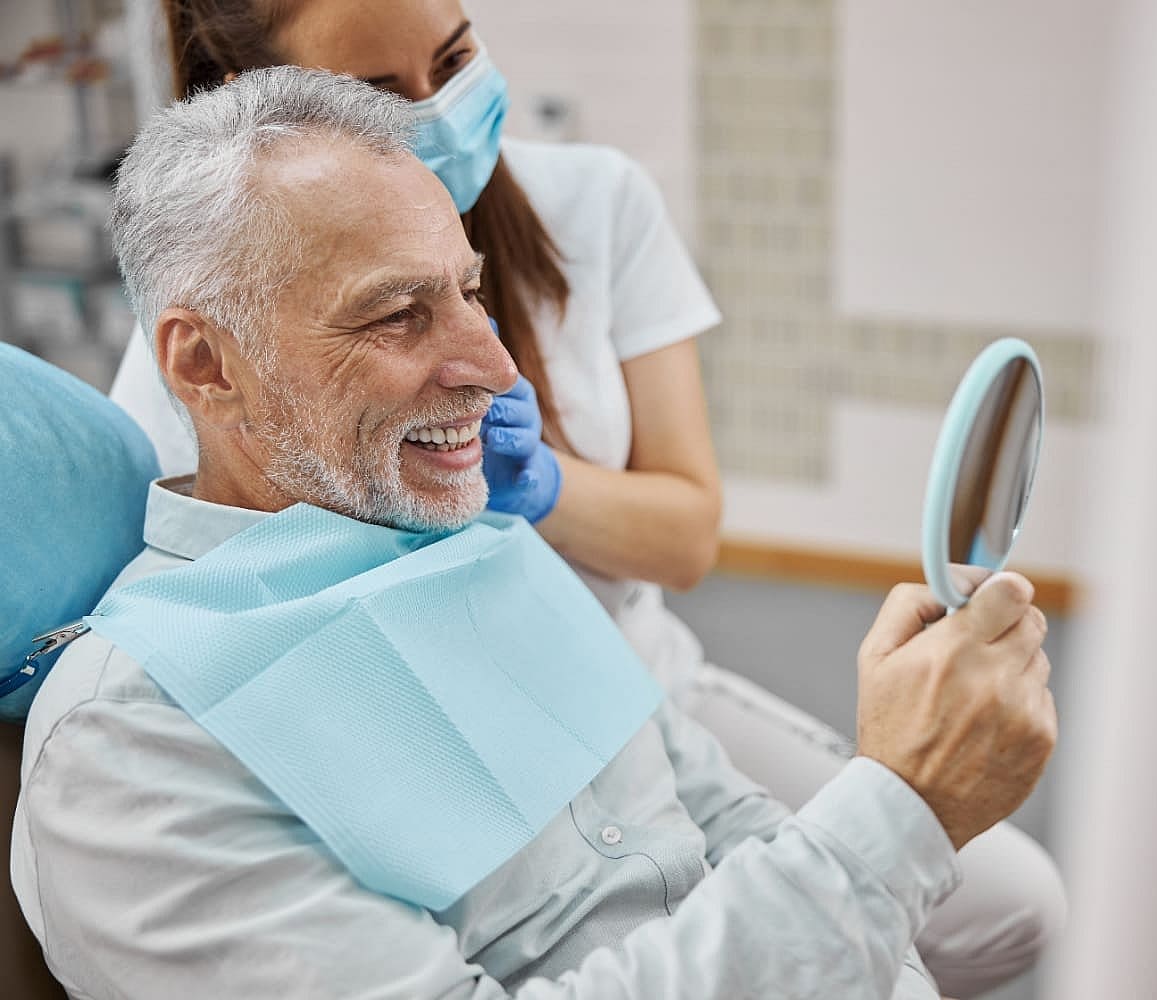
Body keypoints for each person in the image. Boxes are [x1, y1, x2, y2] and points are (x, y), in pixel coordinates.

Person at [12, 67, 1057, 998]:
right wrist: (898, 812)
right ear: (204, 366)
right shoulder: (133, 742)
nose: (497, 367)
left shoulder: (480, 541)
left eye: (469, 292)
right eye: (397, 316)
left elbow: (726, 822)